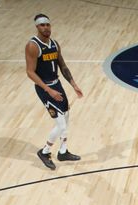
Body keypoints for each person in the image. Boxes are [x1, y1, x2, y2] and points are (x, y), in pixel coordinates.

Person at [25, 14, 84, 171]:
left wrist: (73, 84)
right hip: (44, 88)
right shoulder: (33, 46)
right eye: (42, 25)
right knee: (60, 124)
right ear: (37, 27)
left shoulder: (54, 44)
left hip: (57, 84)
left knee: (66, 117)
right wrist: (48, 90)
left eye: (47, 24)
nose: (45, 27)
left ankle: (63, 151)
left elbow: (63, 66)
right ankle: (44, 152)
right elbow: (30, 72)